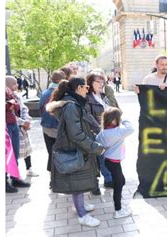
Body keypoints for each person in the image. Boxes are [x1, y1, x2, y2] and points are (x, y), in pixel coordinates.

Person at [46, 77, 106, 227]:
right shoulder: (72, 106)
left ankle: (80, 205)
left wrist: (99, 132)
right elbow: (76, 134)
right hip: (74, 148)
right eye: (86, 87)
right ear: (79, 88)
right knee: (77, 181)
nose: (88, 89)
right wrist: (95, 147)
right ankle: (82, 215)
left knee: (78, 180)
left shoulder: (73, 102)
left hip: (75, 147)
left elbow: (86, 121)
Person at [96, 108, 134, 219]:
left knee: (121, 181)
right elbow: (131, 129)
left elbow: (98, 140)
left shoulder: (104, 132)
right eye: (118, 118)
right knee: (118, 186)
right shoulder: (117, 132)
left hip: (109, 161)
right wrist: (124, 119)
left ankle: (120, 204)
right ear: (113, 120)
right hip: (114, 163)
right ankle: (118, 210)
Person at [86, 69, 117, 192]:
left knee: (105, 157)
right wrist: (99, 129)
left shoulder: (103, 96)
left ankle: (108, 179)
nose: (100, 84)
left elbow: (110, 111)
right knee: (94, 159)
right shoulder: (87, 98)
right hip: (94, 133)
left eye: (102, 81)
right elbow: (88, 116)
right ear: (90, 82)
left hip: (106, 132)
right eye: (97, 81)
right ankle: (94, 184)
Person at [6, 76, 39, 177]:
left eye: (16, 83)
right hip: (14, 126)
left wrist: (27, 120)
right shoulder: (7, 97)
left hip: (22, 127)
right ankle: (13, 174)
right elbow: (10, 114)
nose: (17, 85)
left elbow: (23, 108)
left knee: (27, 149)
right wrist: (22, 122)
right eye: (14, 84)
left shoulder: (17, 96)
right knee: (15, 151)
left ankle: (29, 169)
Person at [39, 70, 66, 188]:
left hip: (45, 127)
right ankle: (56, 180)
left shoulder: (44, 92)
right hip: (56, 128)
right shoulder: (58, 94)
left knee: (51, 153)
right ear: (60, 81)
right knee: (57, 154)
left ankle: (52, 180)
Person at [5, 84, 31, 191]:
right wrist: (8, 104)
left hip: (12, 122)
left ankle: (15, 177)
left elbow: (17, 105)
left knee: (14, 153)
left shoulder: (6, 88)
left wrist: (13, 104)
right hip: (6, 123)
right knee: (6, 154)